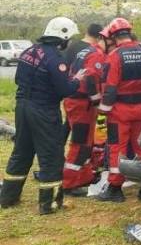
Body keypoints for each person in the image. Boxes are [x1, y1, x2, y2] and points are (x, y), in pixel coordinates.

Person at [0, 17, 85, 214]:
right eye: (69, 38)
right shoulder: (55, 59)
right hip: (44, 110)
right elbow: (65, 90)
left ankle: (7, 197)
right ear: (62, 38)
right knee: (51, 155)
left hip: (22, 107)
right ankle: (50, 204)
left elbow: (17, 79)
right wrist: (77, 80)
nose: (69, 42)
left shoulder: (29, 51)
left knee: (21, 152)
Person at [96, 18, 141, 202]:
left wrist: (103, 110)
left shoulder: (115, 56)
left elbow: (110, 87)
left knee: (117, 148)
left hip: (120, 110)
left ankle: (114, 188)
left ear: (113, 37)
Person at [62, 26, 107, 196]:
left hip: (76, 101)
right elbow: (89, 78)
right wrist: (97, 101)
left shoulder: (85, 51)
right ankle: (69, 184)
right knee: (80, 143)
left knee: (86, 142)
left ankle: (83, 177)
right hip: (81, 103)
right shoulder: (95, 54)